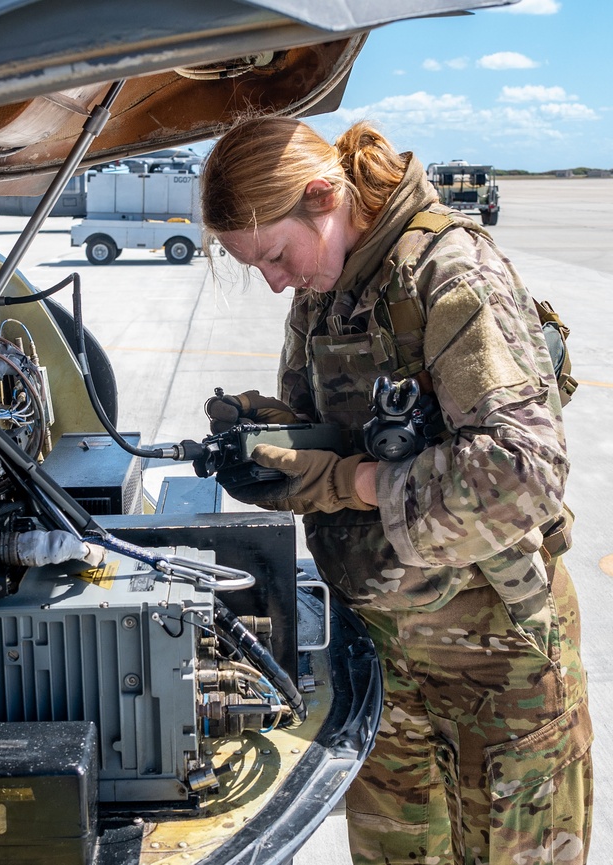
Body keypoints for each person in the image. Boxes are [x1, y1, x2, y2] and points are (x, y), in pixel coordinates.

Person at [200, 116, 592, 865]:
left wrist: (354, 481)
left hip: (497, 678)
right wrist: (272, 442)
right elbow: (333, 435)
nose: (275, 280)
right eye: (257, 267)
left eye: (276, 255)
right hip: (383, 669)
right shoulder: (325, 290)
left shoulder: (449, 271)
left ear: (324, 196)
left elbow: (526, 471)